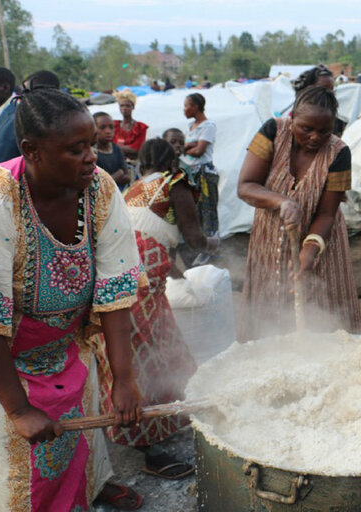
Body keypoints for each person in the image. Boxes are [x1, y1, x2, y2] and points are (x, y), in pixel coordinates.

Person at [0, 87, 146, 511]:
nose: (92, 156)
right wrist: (18, 409)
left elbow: (115, 292)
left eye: (92, 144)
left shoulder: (100, 190)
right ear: (31, 151)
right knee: (13, 472)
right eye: (76, 149)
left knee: (77, 451)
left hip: (64, 348)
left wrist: (124, 380)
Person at [98, 138, 222, 479]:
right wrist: (213, 243)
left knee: (150, 341)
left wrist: (178, 274)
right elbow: (194, 238)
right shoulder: (175, 183)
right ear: (173, 161)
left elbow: (152, 234)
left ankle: (165, 416)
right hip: (144, 273)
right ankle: (144, 437)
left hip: (122, 265)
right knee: (147, 348)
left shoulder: (137, 187)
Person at [237, 86, 361, 340]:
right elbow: (246, 186)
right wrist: (281, 202)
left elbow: (328, 213)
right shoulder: (272, 132)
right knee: (270, 310)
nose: (315, 137)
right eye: (307, 128)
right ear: (292, 118)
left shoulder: (339, 153)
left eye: (324, 131)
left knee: (323, 312)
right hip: (269, 236)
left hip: (321, 240)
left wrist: (310, 250)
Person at [180, 93, 218, 238]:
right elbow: (188, 148)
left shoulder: (208, 126)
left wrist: (185, 148)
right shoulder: (191, 127)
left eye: (186, 105)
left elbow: (199, 152)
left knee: (208, 209)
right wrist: (190, 145)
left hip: (204, 173)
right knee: (195, 209)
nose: (184, 109)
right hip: (190, 173)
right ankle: (199, 242)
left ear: (195, 107)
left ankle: (211, 244)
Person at [292, 65, 346, 136]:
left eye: (332, 89)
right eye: (323, 89)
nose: (330, 94)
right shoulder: (282, 127)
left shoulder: (337, 123)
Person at [93, 112, 131, 189]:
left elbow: (128, 177)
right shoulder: (92, 153)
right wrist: (119, 174)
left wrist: (109, 179)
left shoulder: (116, 148)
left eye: (111, 127)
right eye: (102, 127)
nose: (108, 131)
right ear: (93, 129)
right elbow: (98, 185)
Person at [113, 89, 148, 161]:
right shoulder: (114, 125)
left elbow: (137, 149)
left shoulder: (140, 127)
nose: (124, 108)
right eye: (122, 106)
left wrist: (115, 147)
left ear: (133, 107)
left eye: (127, 106)